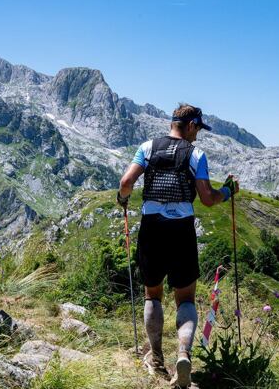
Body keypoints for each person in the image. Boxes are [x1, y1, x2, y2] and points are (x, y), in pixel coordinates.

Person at [117, 103, 239, 388]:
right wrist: (228, 191)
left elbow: (126, 182)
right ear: (192, 125)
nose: (198, 136)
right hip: (180, 230)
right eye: (198, 129)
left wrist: (123, 199)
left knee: (153, 295)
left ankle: (156, 357)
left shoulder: (147, 147)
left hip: (152, 229)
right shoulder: (196, 154)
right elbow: (207, 198)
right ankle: (183, 354)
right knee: (184, 299)